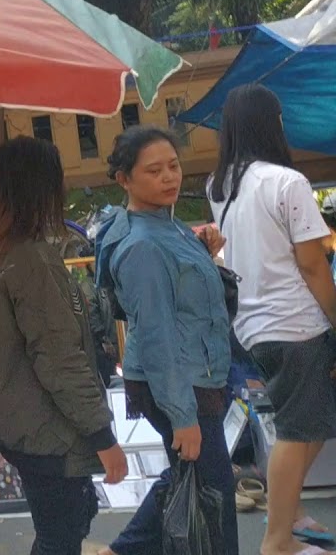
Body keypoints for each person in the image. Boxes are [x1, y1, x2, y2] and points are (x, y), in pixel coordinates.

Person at [0, 136, 126, 555]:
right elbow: (59, 358)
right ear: (42, 187)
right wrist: (102, 436)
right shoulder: (31, 259)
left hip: (13, 421)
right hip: (44, 428)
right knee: (61, 536)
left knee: (59, 530)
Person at [95, 126, 236, 555]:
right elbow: (157, 337)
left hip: (195, 371)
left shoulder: (165, 224)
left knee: (191, 478)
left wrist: (203, 253)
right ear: (125, 179)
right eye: (154, 171)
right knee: (214, 495)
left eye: (173, 166)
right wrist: (182, 416)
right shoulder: (142, 246)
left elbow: (180, 296)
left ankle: (121, 550)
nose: (169, 177)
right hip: (178, 381)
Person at [208, 84, 336, 555]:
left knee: (309, 423)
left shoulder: (221, 185)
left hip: (251, 325)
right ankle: (278, 539)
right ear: (273, 123)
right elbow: (313, 265)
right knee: (299, 430)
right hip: (296, 323)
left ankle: (289, 512)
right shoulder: (287, 182)